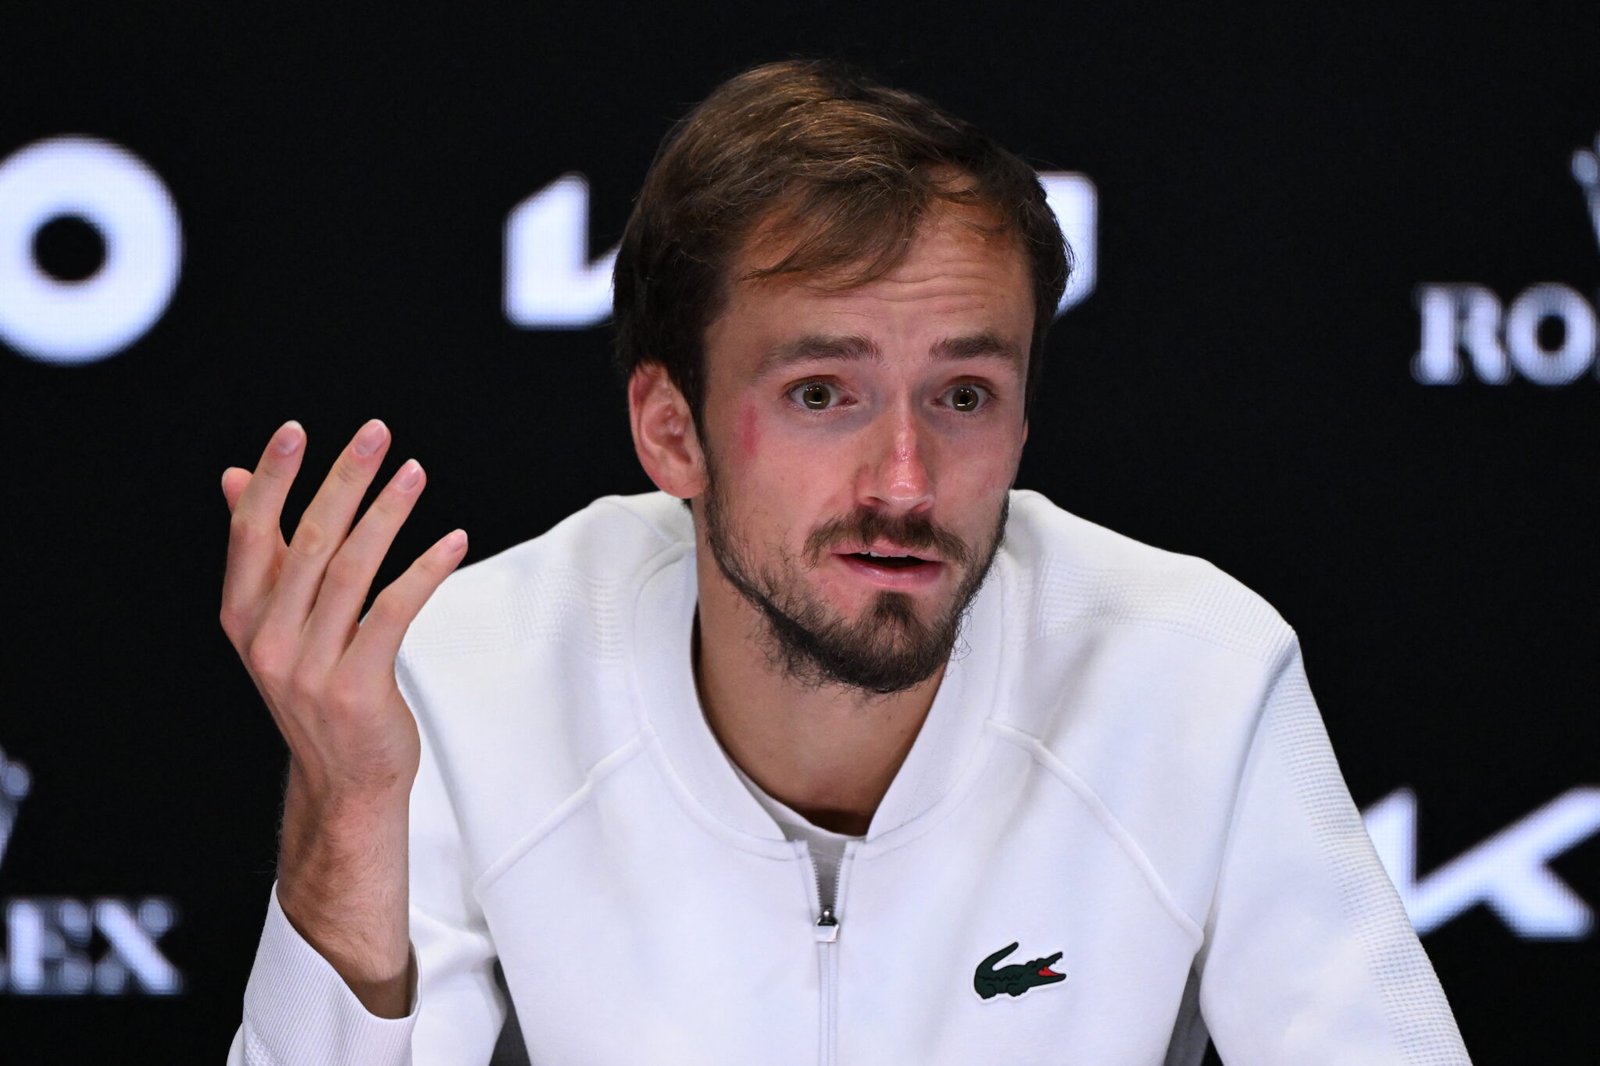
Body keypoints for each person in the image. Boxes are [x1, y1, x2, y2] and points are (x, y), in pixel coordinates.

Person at [223, 60, 1470, 1064]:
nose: (906, 482)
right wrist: (351, 804)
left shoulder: (1193, 671)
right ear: (672, 430)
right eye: (823, 391)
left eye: (965, 394)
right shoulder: (474, 672)